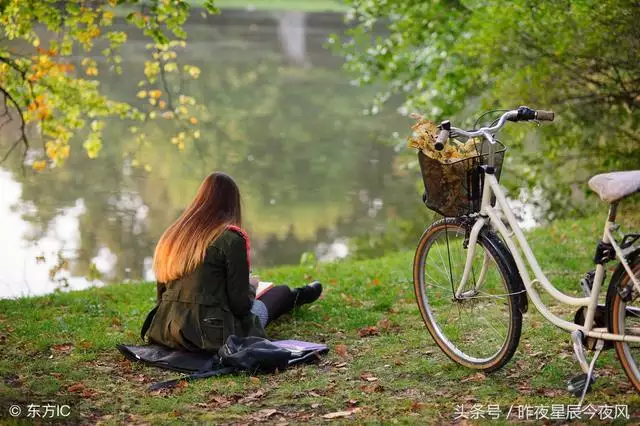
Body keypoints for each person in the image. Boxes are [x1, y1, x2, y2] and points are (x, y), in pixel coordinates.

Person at [145, 172, 322, 352]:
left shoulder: (171, 237)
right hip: (211, 335)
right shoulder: (230, 238)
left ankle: (299, 294)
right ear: (233, 204)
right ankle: (298, 295)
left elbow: (161, 298)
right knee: (278, 293)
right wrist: (251, 287)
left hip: (166, 330)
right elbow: (241, 307)